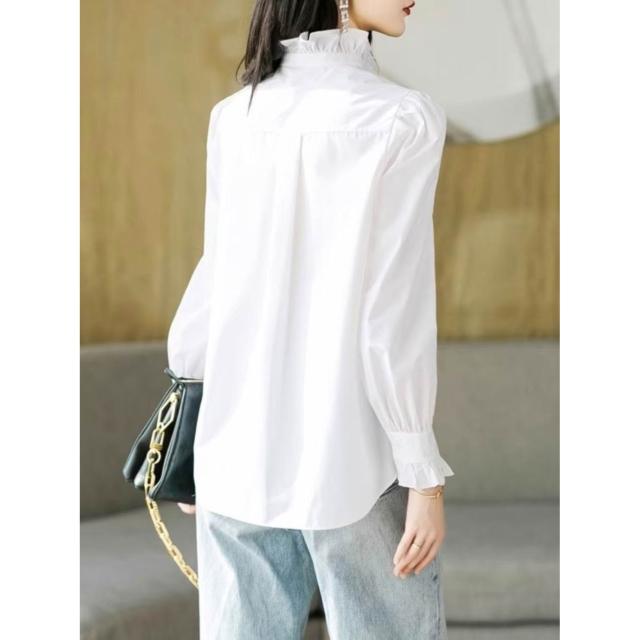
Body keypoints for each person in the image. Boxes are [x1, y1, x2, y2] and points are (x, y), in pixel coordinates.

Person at [167, 0, 455, 637]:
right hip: (352, 454)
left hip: (233, 449)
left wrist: (193, 429)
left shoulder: (234, 116)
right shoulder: (403, 118)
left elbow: (214, 280)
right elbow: (391, 313)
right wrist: (423, 478)